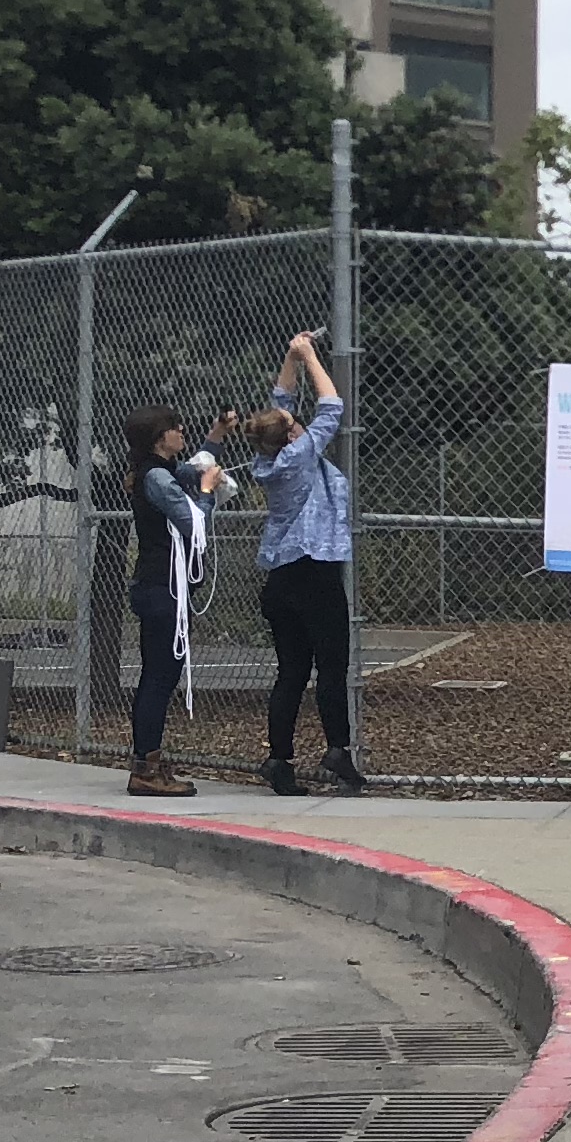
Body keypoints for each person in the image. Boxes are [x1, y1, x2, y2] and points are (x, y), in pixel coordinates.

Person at [226, 331, 361, 796]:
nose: (297, 417)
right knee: (332, 667)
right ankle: (338, 750)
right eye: (293, 420)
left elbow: (279, 401)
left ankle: (279, 758)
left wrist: (289, 355)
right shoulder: (302, 454)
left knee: (291, 671)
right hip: (316, 571)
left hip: (281, 578)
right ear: (293, 434)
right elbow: (332, 405)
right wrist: (309, 356)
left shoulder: (268, 457)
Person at [119, 407, 222, 798]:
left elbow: (193, 469)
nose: (182, 432)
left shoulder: (160, 471)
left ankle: (148, 761)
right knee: (159, 679)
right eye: (176, 428)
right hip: (162, 589)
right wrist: (208, 493)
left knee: (158, 676)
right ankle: (146, 768)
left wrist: (216, 437)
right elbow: (193, 523)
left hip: (161, 587)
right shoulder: (157, 477)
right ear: (160, 438)